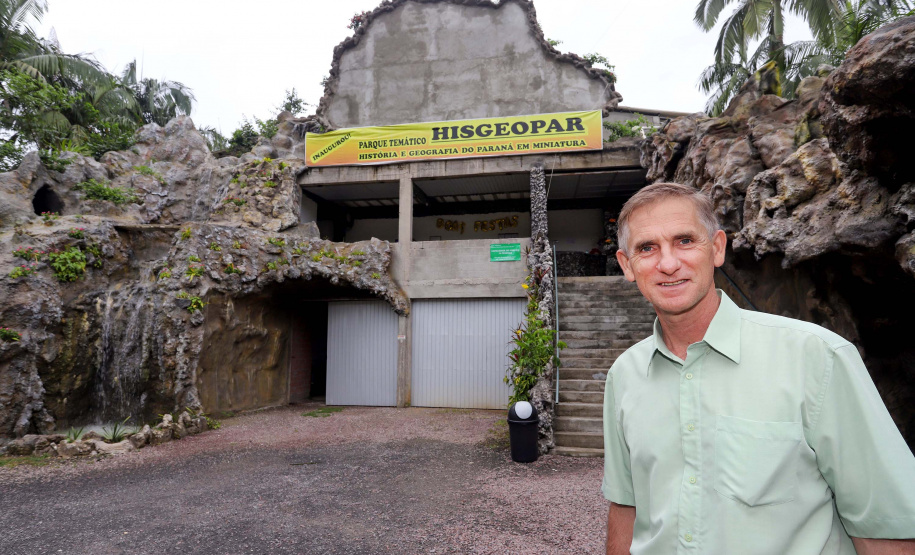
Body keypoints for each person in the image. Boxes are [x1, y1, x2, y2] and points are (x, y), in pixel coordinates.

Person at [602, 182, 915, 554]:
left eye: (685, 240)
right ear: (627, 265)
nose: (668, 263)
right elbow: (626, 507)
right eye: (647, 248)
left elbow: (885, 527)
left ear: (717, 248)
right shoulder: (625, 375)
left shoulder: (816, 357)